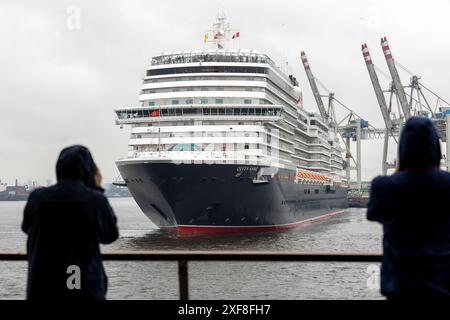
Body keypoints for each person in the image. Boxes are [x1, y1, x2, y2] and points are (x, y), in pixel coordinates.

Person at [367, 117, 450, 299]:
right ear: (435, 148)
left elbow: (374, 214)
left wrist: (400, 169)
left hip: (401, 291)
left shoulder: (384, 187)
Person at [22, 145, 119, 300]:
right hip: (82, 286)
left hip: (43, 286)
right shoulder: (95, 200)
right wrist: (97, 188)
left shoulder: (37, 198)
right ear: (89, 170)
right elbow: (109, 236)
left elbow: (27, 228)